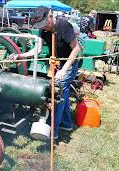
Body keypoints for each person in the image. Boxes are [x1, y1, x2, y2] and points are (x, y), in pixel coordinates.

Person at [9, 7, 81, 139]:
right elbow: (37, 49)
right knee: (62, 93)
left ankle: (52, 131)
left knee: (57, 91)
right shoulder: (43, 30)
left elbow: (76, 49)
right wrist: (21, 56)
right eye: (41, 26)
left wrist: (64, 70)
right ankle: (66, 123)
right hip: (56, 62)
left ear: (50, 16)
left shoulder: (64, 25)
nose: (45, 28)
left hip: (70, 62)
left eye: (45, 24)